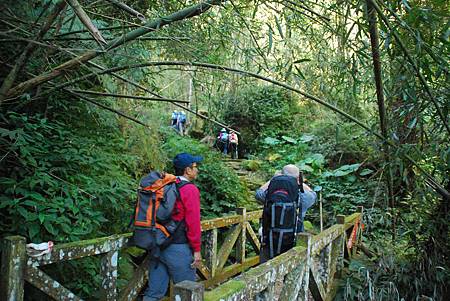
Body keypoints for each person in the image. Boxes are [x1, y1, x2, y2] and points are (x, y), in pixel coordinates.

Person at [144, 153, 203, 301]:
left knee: (153, 293)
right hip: (178, 247)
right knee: (187, 291)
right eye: (195, 167)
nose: (197, 170)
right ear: (187, 170)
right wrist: (196, 250)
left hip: (158, 243)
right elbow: (193, 223)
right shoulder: (190, 189)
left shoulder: (166, 185)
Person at [255, 164, 317, 263]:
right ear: (298, 178)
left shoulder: (270, 194)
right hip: (294, 243)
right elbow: (314, 195)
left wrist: (274, 180)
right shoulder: (302, 196)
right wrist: (299, 182)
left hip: (269, 242)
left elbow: (258, 193)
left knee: (267, 269)